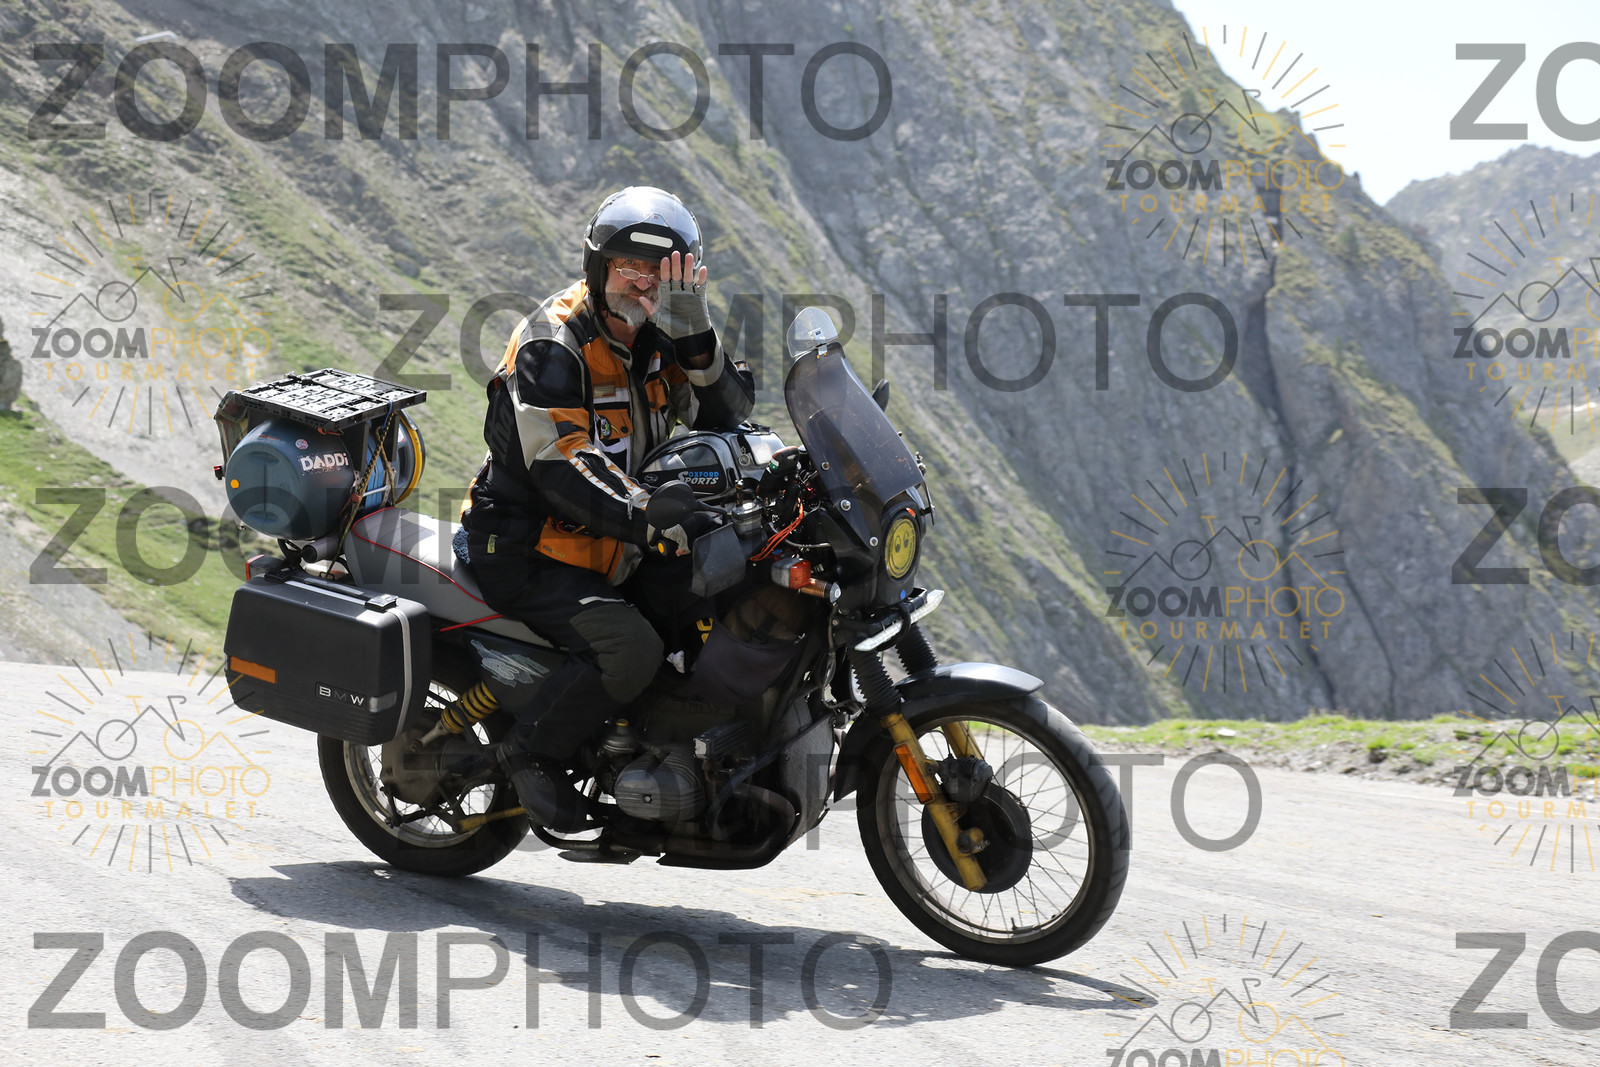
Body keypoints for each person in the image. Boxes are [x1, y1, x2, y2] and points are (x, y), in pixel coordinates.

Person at [456, 186, 754, 831]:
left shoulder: (662, 332)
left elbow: (724, 416)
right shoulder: (550, 343)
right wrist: (648, 514)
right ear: (598, 266)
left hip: (612, 540)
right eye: (628, 266)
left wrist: (696, 336)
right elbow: (560, 460)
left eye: (658, 271)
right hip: (526, 545)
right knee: (632, 648)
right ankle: (529, 752)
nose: (642, 282)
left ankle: (666, 747)